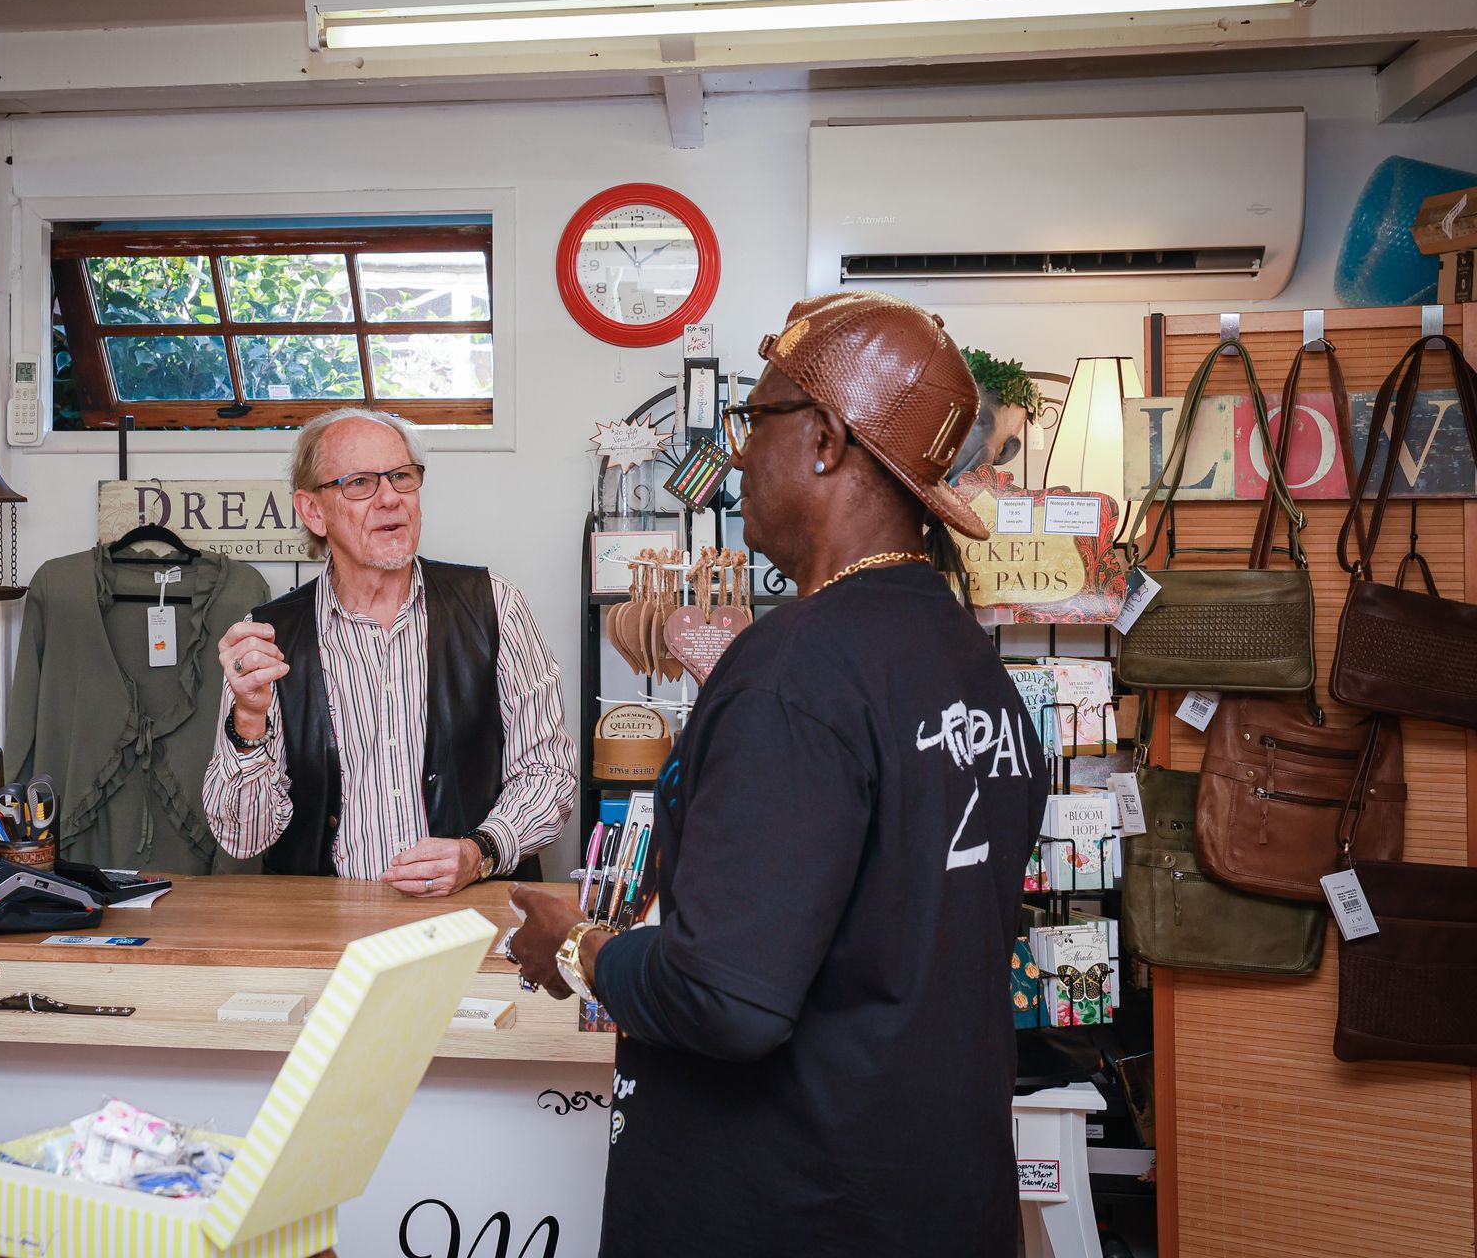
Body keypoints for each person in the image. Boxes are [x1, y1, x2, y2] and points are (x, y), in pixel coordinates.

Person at [510, 292, 1049, 1256]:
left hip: (793, 1205)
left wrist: (582, 946)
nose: (739, 456)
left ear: (827, 440)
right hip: (937, 1193)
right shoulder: (972, 666)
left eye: (754, 420)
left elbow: (728, 999)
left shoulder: (796, 668)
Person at [203, 408, 576, 895]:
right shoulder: (267, 638)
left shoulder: (494, 606)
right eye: (359, 483)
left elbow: (549, 772)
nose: (390, 498)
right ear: (313, 511)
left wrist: (479, 851)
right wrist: (250, 719)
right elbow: (243, 837)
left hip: (469, 917)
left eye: (402, 477)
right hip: (325, 923)